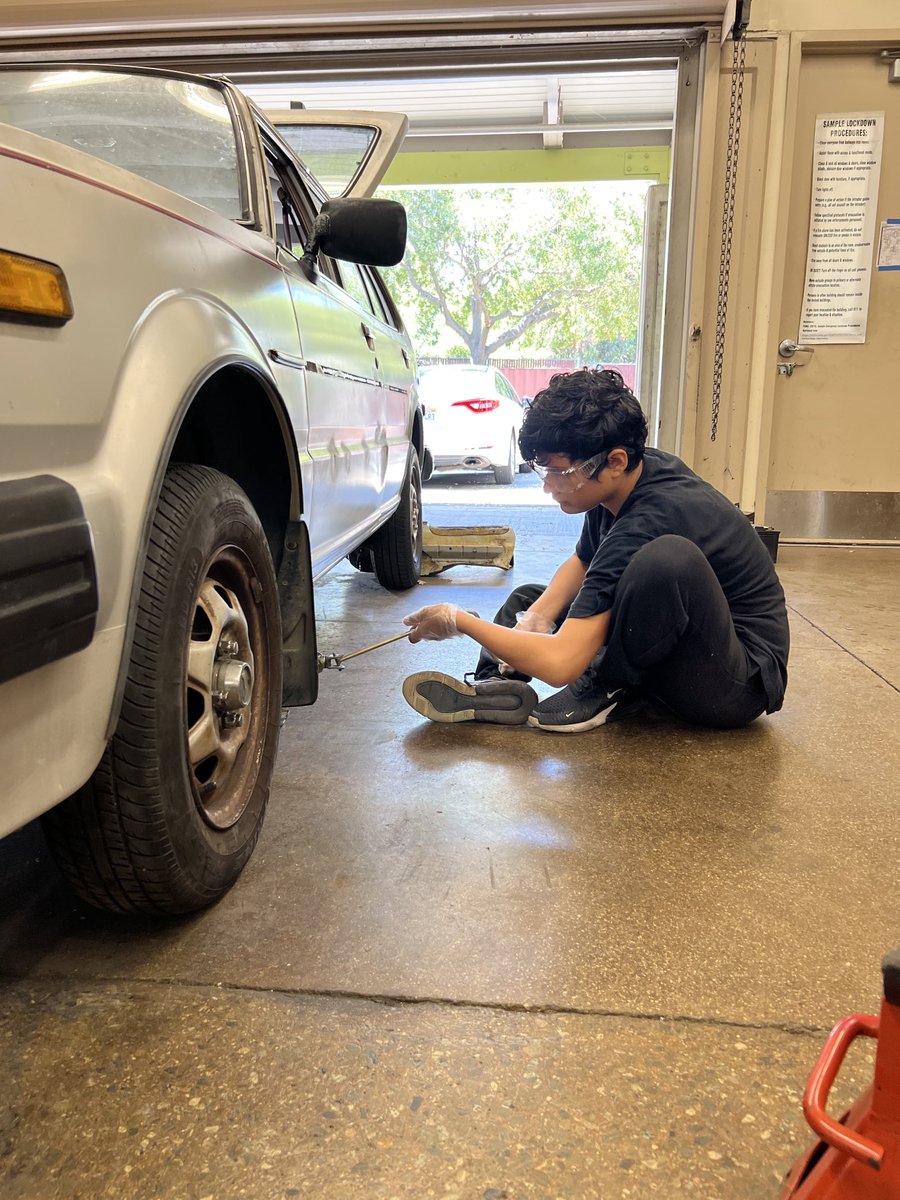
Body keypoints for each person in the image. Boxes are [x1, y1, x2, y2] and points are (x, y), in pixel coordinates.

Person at [401, 367, 789, 734]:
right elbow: (584, 561)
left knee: (666, 561)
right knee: (531, 599)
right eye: (543, 470)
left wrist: (460, 623)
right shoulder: (629, 478)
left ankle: (608, 684)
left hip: (730, 682)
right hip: (674, 643)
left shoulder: (654, 517)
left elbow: (560, 663)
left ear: (614, 461)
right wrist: (537, 617)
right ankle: (496, 686)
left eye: (559, 472)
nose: (548, 485)